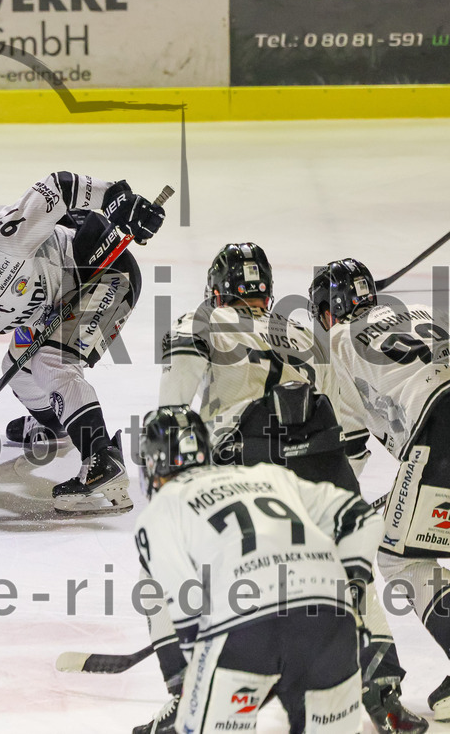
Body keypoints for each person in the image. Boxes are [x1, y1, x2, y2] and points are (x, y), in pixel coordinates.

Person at [138, 242, 426, 734]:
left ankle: (189, 693)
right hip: (322, 451)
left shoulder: (199, 321)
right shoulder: (302, 333)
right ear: (266, 292)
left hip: (247, 458)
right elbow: (350, 434)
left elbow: (173, 416)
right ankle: (383, 690)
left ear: (217, 289)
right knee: (349, 576)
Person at [0, 170, 165, 513]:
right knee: (17, 370)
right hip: (52, 308)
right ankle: (56, 427)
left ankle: (101, 460)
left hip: (101, 272)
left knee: (51, 361)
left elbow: (58, 187)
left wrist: (116, 198)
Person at [135, 404, 384, 734]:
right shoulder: (269, 475)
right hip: (331, 621)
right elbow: (363, 518)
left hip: (243, 628)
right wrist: (348, 588)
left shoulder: (161, 511)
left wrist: (191, 684)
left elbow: (186, 612)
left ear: (152, 463)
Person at [311, 258, 450, 723]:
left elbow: (348, 450)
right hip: (438, 430)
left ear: (327, 313)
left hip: (441, 433)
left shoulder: (337, 344)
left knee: (399, 557)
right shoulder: (419, 312)